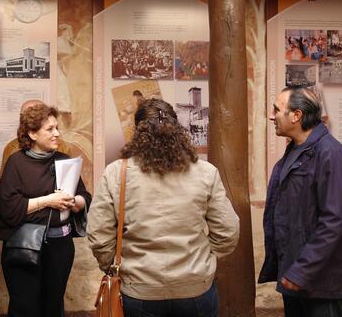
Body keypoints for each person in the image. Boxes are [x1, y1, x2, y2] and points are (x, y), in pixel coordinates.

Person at [87, 98, 240, 317]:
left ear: (138, 131)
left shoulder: (116, 173)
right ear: (176, 129)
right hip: (195, 287)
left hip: (140, 289)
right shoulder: (205, 172)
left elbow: (98, 235)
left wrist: (112, 266)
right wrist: (204, 258)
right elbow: (228, 231)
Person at [259, 86, 342, 317]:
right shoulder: (296, 150)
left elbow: (334, 221)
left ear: (296, 116)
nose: (271, 116)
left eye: (276, 110)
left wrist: (301, 270)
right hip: (296, 275)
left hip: (319, 282)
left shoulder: (331, 154)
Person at [0, 103, 92, 317]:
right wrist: (48, 201)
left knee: (53, 307)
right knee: (25, 308)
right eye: (50, 129)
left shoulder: (64, 160)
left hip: (60, 248)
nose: (57, 133)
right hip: (25, 247)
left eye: (57, 128)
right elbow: (8, 208)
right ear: (32, 133)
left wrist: (74, 202)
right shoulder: (16, 163)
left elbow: (85, 197)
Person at [0, 99, 70, 179]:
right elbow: (6, 185)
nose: (57, 134)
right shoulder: (12, 150)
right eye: (24, 116)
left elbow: (73, 185)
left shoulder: (62, 148)